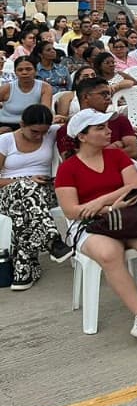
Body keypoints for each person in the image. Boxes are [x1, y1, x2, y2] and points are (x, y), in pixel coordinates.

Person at [55, 108, 137, 346]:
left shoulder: (117, 156)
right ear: (82, 136)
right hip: (89, 225)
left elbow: (134, 186)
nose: (108, 132)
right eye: (100, 128)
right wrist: (106, 208)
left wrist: (97, 202)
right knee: (109, 253)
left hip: (126, 218)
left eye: (107, 127)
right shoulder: (68, 168)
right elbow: (72, 211)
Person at [0, 104, 71, 289]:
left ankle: (24, 270)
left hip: (44, 192)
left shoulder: (51, 132)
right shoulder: (6, 141)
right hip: (8, 191)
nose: (40, 136)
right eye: (34, 132)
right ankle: (51, 240)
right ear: (22, 124)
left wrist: (63, 118)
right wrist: (24, 180)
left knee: (22, 210)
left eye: (44, 132)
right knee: (25, 188)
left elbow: (78, 124)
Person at [57, 76, 137, 159]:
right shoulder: (68, 129)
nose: (108, 98)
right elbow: (71, 161)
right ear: (86, 97)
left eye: (109, 94)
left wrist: (95, 155)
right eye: (103, 94)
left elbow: (133, 151)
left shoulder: (119, 120)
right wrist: (115, 146)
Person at [0, 57, 53, 133]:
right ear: (15, 72)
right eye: (20, 70)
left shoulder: (45, 88)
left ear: (36, 71)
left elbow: (44, 112)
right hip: (5, 126)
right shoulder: (6, 88)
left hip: (33, 127)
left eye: (28, 69)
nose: (24, 72)